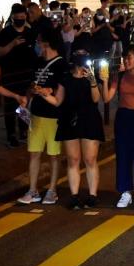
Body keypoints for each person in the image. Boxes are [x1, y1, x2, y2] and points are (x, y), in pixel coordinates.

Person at [18, 29, 68, 205]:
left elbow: (61, 94)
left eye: (39, 42)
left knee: (54, 155)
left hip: (54, 116)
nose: (37, 45)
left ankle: (52, 190)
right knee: (34, 153)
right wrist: (29, 95)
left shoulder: (62, 65)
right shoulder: (38, 62)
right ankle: (33, 190)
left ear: (46, 43)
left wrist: (48, 91)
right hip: (36, 114)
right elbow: (32, 84)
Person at [49, 54, 105, 209]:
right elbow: (58, 101)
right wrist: (44, 94)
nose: (84, 70)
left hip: (90, 119)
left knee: (90, 159)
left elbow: (96, 99)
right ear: (75, 66)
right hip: (70, 120)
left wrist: (93, 82)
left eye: (86, 66)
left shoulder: (90, 78)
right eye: (81, 67)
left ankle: (93, 195)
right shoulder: (66, 79)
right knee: (73, 159)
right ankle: (74, 195)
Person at [102, 45, 134, 208]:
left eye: (129, 57)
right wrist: (104, 81)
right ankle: (125, 191)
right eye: (124, 58)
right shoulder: (120, 75)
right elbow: (107, 97)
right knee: (123, 154)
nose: (126, 60)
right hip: (123, 117)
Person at [0, 3, 37, 147]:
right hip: (10, 75)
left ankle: (24, 130)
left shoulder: (30, 32)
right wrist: (12, 44)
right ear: (12, 17)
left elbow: (36, 51)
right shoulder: (5, 33)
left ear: (25, 16)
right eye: (17, 16)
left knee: (24, 102)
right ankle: (11, 134)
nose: (20, 18)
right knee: (10, 105)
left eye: (22, 16)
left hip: (27, 74)